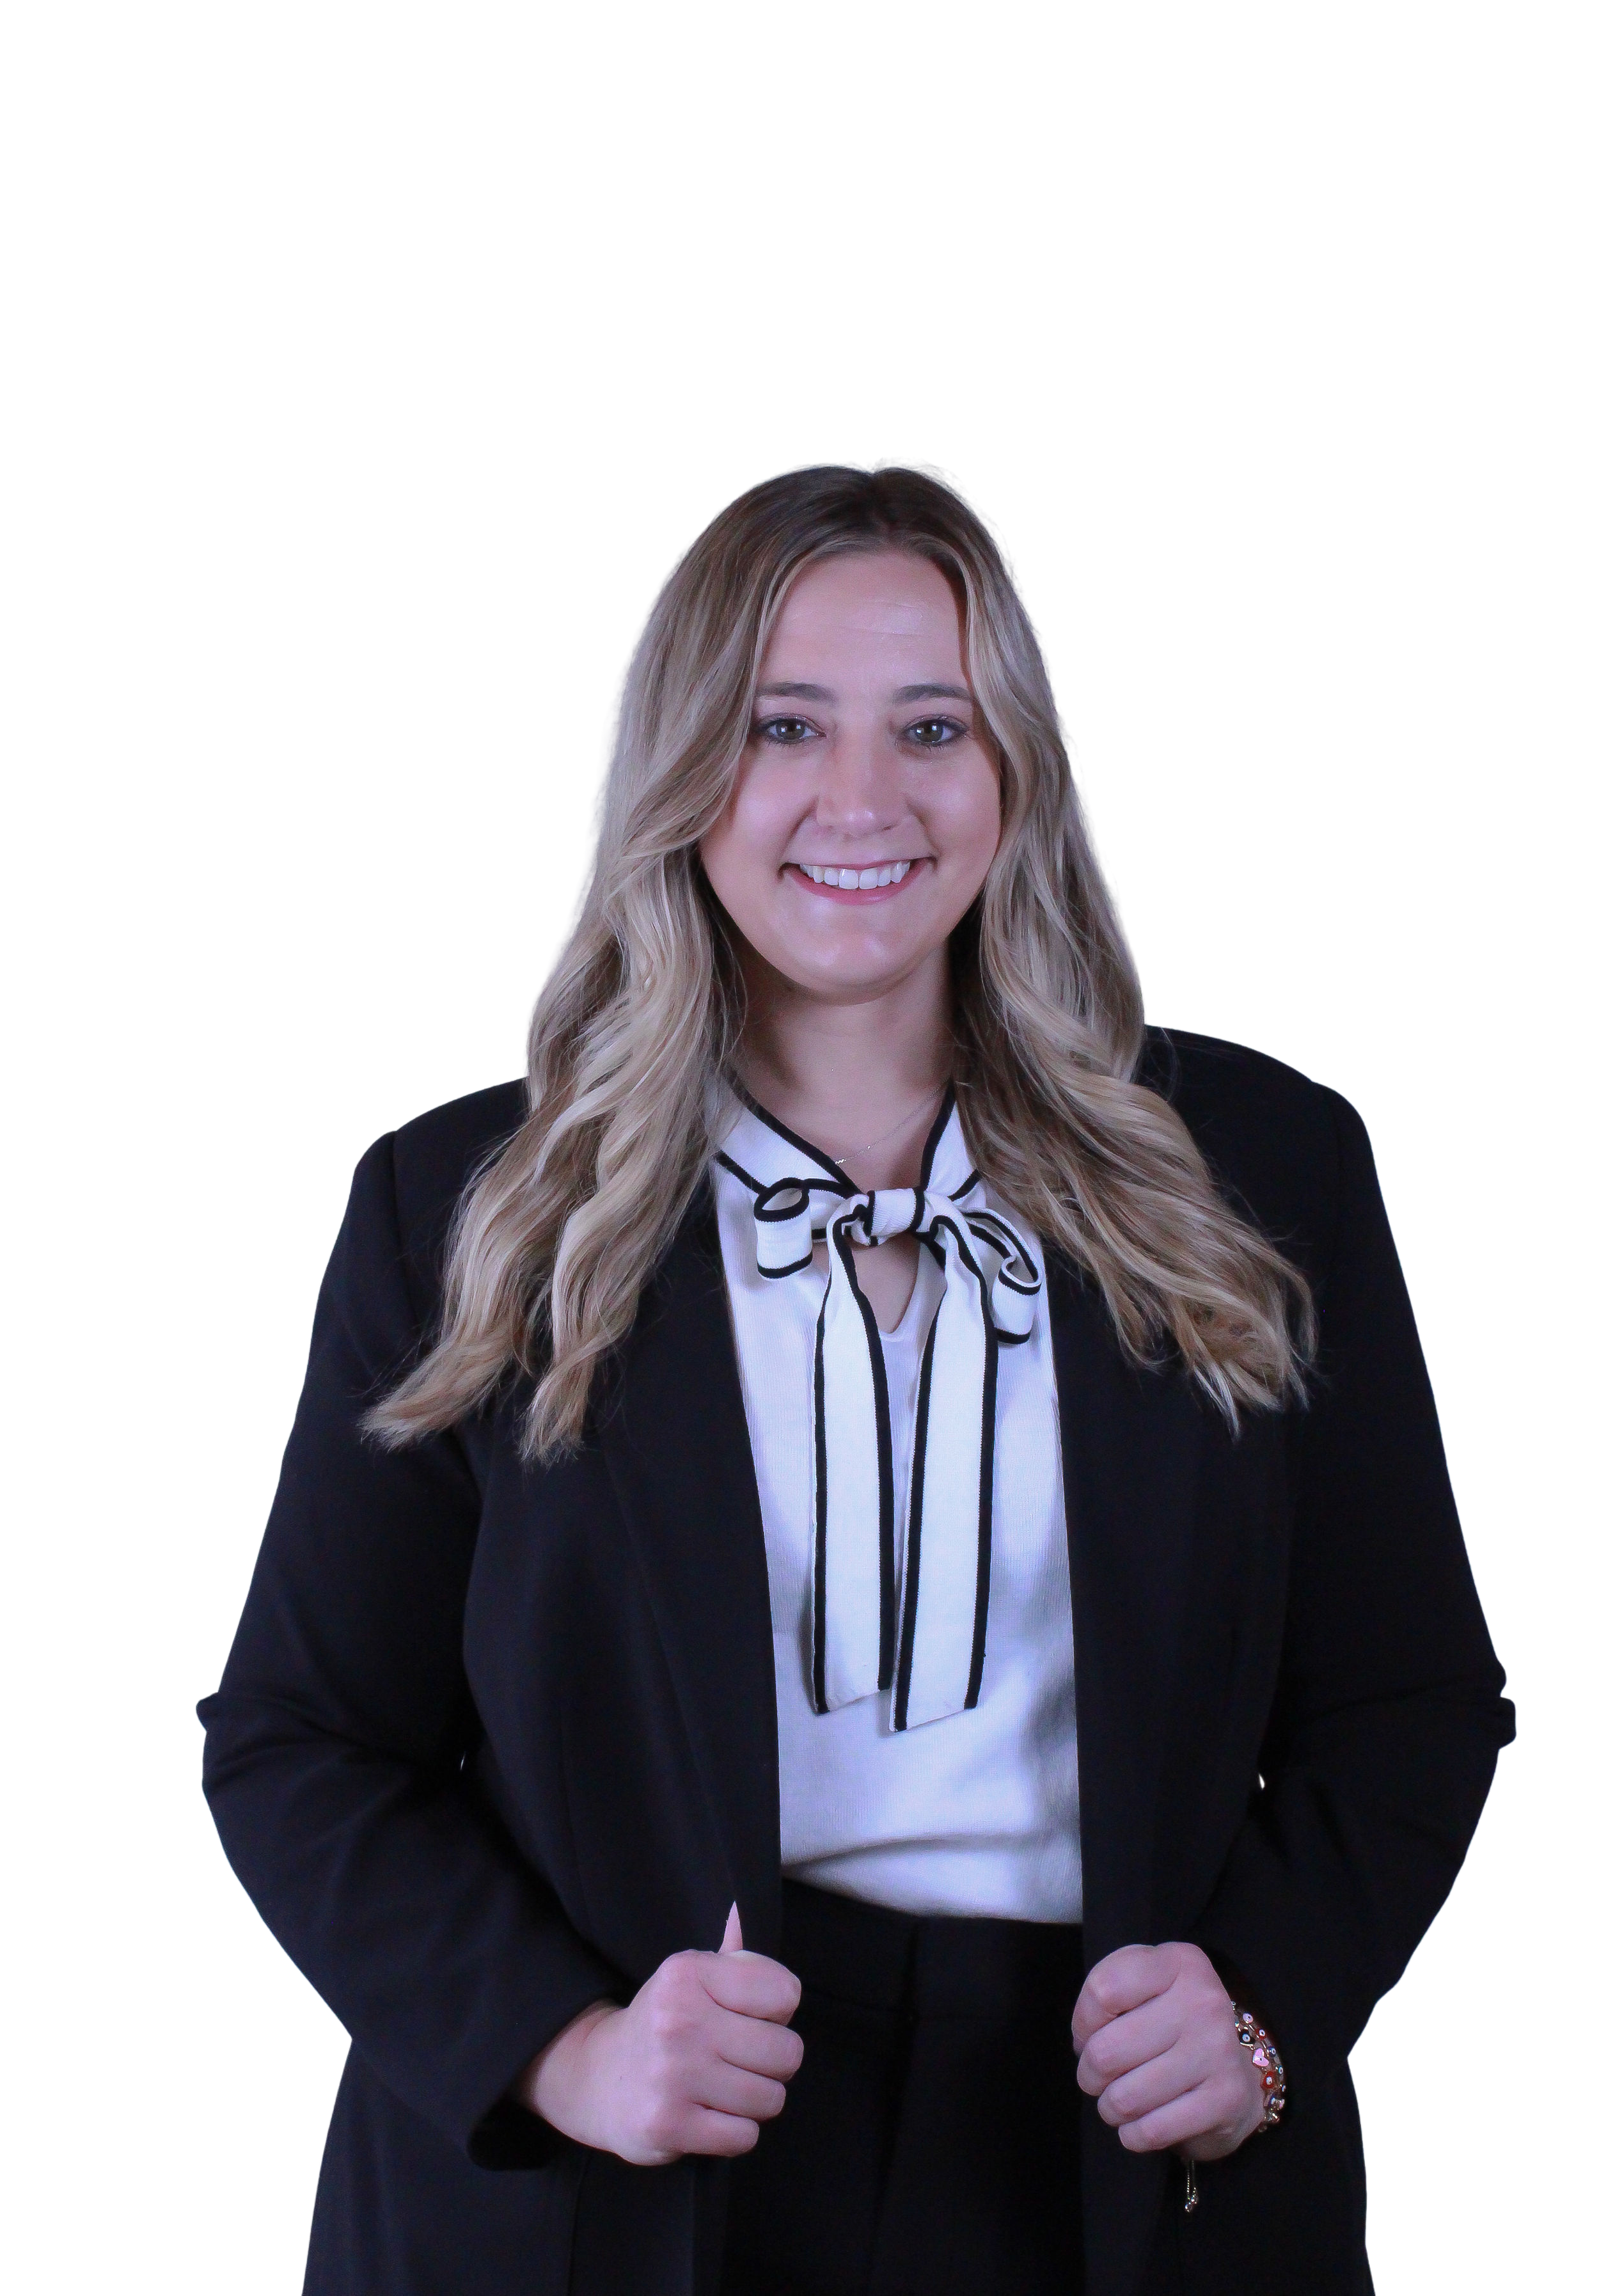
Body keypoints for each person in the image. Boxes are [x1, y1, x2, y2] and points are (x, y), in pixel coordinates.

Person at [198, 459, 1513, 2295]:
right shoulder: (465, 1205)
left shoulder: (1264, 1169)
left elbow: (1408, 1697)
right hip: (625, 2173)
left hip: (1111, 2163)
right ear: (679, 773)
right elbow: (298, 1742)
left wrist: (1264, 2013)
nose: (861, 798)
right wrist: (560, 2048)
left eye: (931, 725)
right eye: (782, 725)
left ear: (1014, 776)